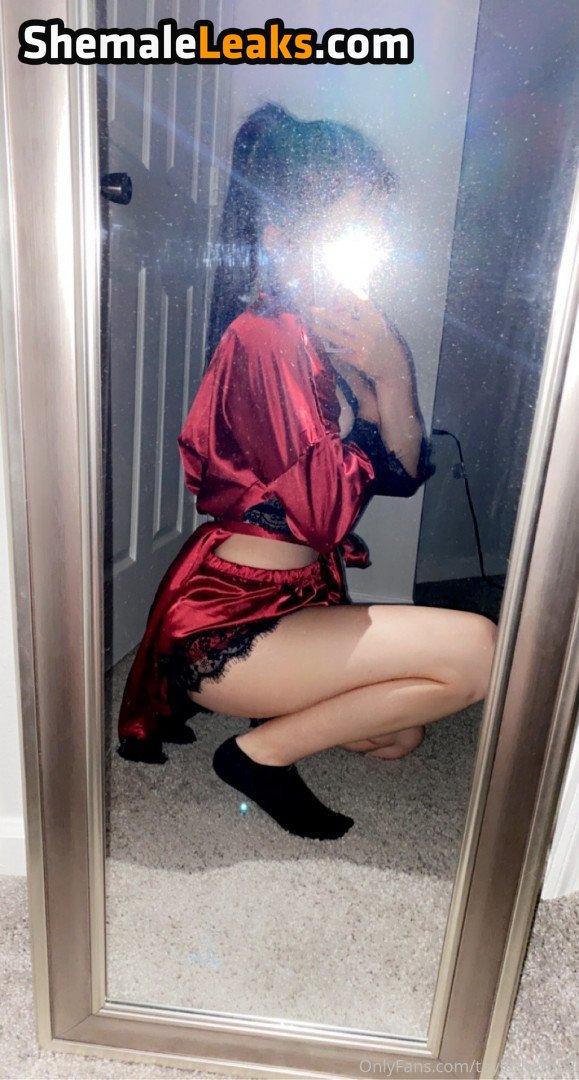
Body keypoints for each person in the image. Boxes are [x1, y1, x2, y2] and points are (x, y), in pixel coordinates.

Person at [117, 103, 497, 841]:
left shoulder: (325, 335)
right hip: (233, 622)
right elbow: (321, 515)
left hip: (296, 601)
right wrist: (381, 378)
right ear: (280, 235)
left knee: (401, 734)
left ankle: (274, 723)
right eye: (348, 227)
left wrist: (391, 376)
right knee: (477, 652)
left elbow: (403, 473)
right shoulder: (267, 336)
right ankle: (257, 757)